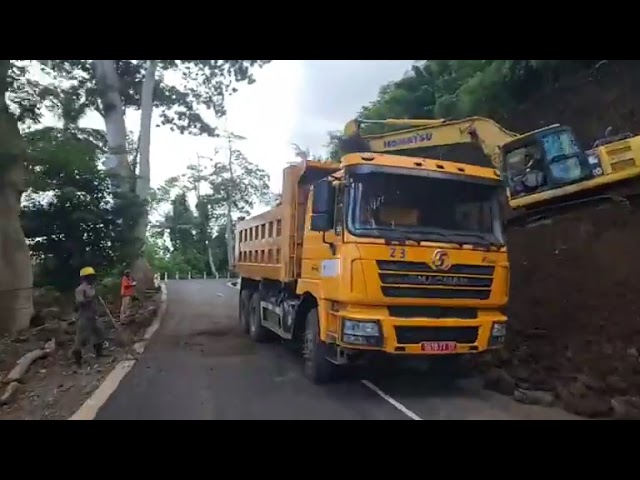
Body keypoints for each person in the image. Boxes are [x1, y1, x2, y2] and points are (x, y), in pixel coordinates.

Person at [72, 266, 104, 367]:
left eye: (92, 276)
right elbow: (79, 302)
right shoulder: (80, 289)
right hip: (84, 316)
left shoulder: (92, 288)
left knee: (99, 333)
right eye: (89, 276)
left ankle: (99, 354)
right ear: (84, 278)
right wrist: (90, 299)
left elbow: (95, 301)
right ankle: (78, 361)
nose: (92, 278)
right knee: (81, 338)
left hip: (93, 315)